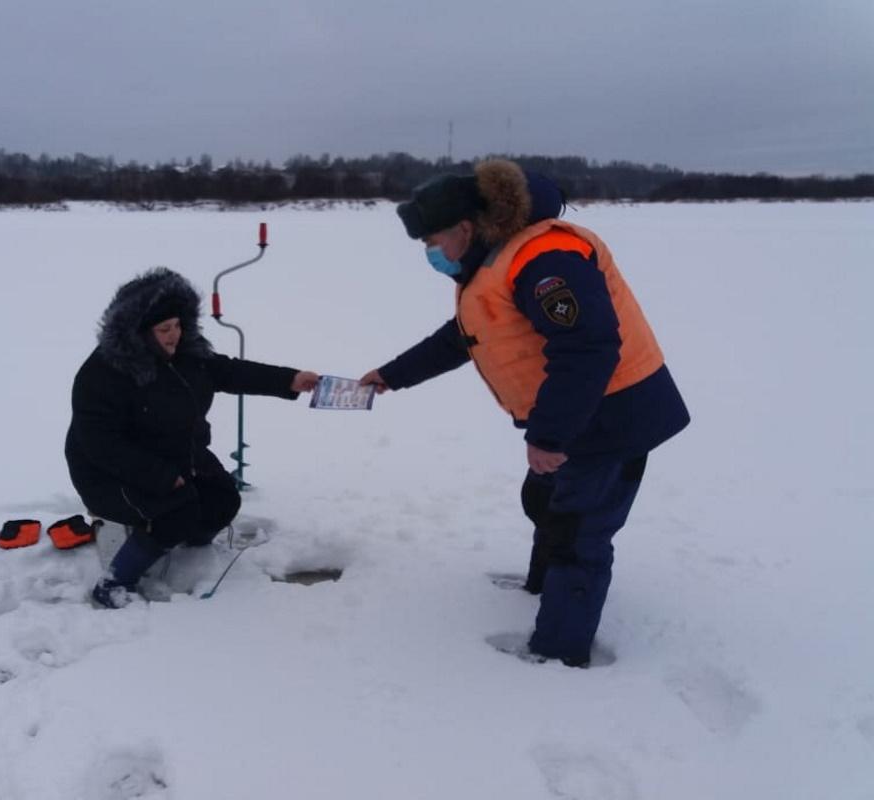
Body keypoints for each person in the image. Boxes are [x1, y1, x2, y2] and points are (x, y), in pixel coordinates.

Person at [360, 159, 689, 667]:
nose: (431, 253)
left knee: (578, 534)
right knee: (545, 499)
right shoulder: (492, 261)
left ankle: (558, 653)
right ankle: (542, 587)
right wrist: (392, 374)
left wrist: (550, 437)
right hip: (577, 414)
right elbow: (466, 335)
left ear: (465, 228)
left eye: (433, 241)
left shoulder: (545, 257)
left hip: (611, 417)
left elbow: (588, 348)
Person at [66, 267, 318, 608]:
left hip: (176, 452)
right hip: (109, 472)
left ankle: (180, 547)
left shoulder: (187, 356)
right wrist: (162, 477)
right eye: (164, 329)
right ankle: (115, 582)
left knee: (223, 502)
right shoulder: (102, 375)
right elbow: (100, 444)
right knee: (175, 512)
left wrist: (290, 380)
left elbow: (230, 371)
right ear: (138, 333)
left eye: (178, 325)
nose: (174, 335)